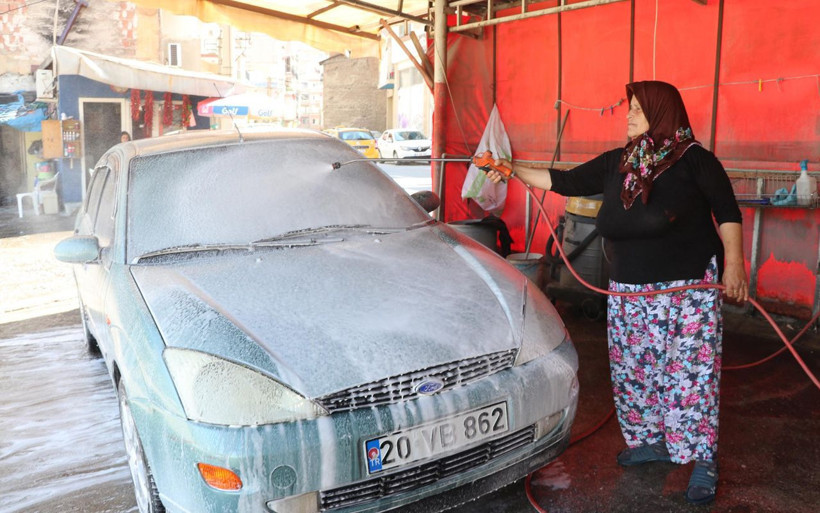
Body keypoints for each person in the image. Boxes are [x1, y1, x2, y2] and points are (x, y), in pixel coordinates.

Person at [486, 80, 748, 505]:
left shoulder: (696, 161)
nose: (627, 116)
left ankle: (702, 457)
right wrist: (510, 169)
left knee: (689, 378)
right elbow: (564, 181)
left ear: (662, 113)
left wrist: (735, 265)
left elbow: (728, 212)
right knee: (636, 372)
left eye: (637, 109)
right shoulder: (621, 162)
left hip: (687, 291)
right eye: (629, 108)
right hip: (629, 291)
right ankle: (656, 442)